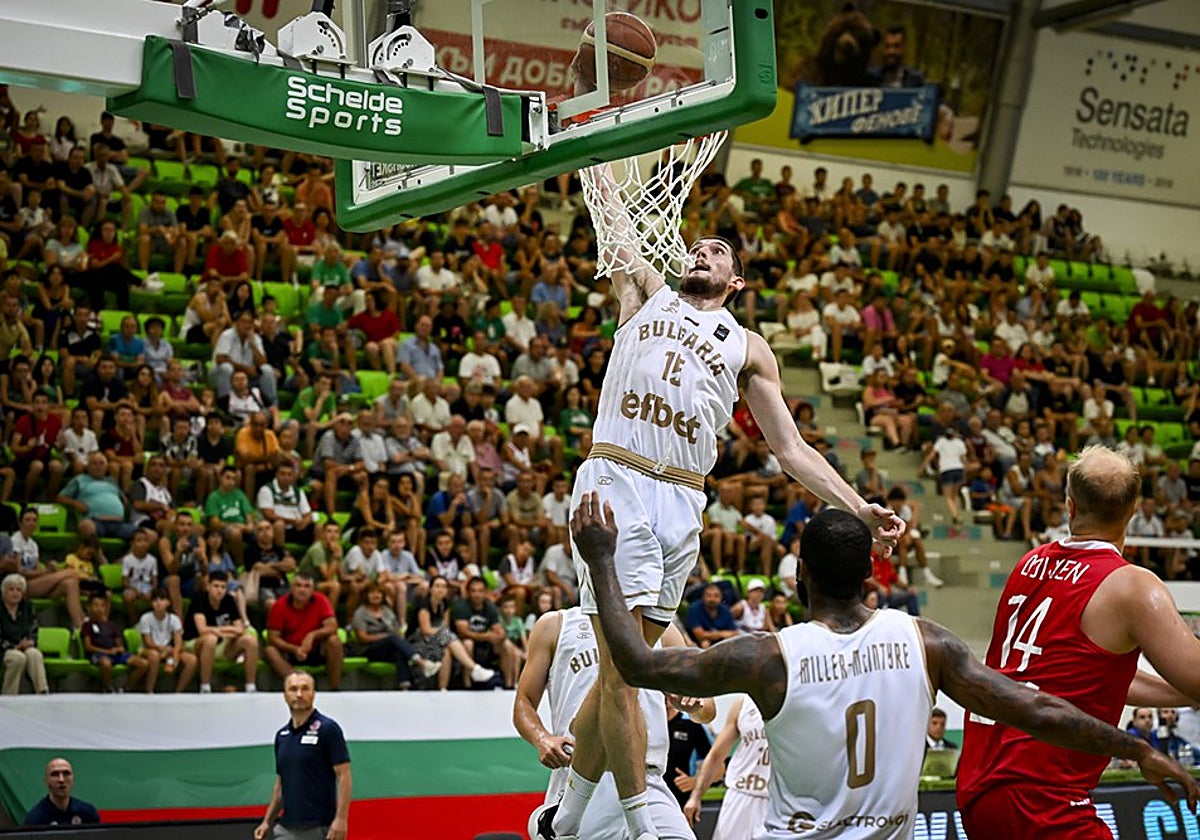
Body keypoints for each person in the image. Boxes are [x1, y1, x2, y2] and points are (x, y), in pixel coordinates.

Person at [548, 206, 902, 839]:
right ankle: (642, 828)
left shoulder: (747, 346)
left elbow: (791, 449)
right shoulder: (646, 293)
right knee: (628, 669)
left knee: (622, 669)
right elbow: (614, 219)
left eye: (714, 251)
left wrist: (858, 506)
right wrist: (594, 133)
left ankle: (565, 816)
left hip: (683, 499)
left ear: (735, 280)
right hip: (619, 475)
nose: (698, 254)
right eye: (695, 248)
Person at [569, 491, 1199, 840]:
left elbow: (637, 663)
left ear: (798, 575)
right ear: (873, 574)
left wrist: (601, 558)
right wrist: (1133, 747)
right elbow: (1036, 707)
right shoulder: (925, 642)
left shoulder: (767, 657)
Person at [958, 446, 1200, 839]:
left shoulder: (1029, 563)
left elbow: (1096, 676)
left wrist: (1185, 697)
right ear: (1133, 510)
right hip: (1040, 797)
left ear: (1069, 506)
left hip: (981, 788)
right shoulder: (1131, 585)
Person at [517, 606, 713, 840]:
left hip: (647, 778)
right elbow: (523, 702)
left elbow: (708, 711)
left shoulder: (666, 630)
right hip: (584, 777)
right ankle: (558, 821)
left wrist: (695, 704)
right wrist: (542, 738)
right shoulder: (556, 624)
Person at [255, 671, 351, 840]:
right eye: (293, 689)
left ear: (313, 693)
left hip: (319, 827)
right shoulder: (282, 736)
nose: (299, 694)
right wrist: (267, 821)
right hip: (286, 828)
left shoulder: (328, 729)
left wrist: (341, 819)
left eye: (305, 689)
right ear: (285, 695)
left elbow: (344, 776)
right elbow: (280, 784)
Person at [684, 695, 770, 840]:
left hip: (775, 798)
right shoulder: (743, 703)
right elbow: (716, 755)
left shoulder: (799, 700)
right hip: (741, 795)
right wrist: (696, 796)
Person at [1, 573, 48, 695]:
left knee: (34, 654)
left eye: (18, 590)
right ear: (4, 592)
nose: (15, 593)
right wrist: (13, 647)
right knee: (17, 658)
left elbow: (33, 628)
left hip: (23, 646)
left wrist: (31, 641)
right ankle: (9, 696)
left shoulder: (27, 607)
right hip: (4, 649)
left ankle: (42, 692)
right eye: (11, 589)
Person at [23, 758, 100, 826]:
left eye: (66, 773)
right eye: (55, 774)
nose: (61, 780)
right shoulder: (36, 819)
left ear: (73, 779)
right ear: (46, 781)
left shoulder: (88, 813)